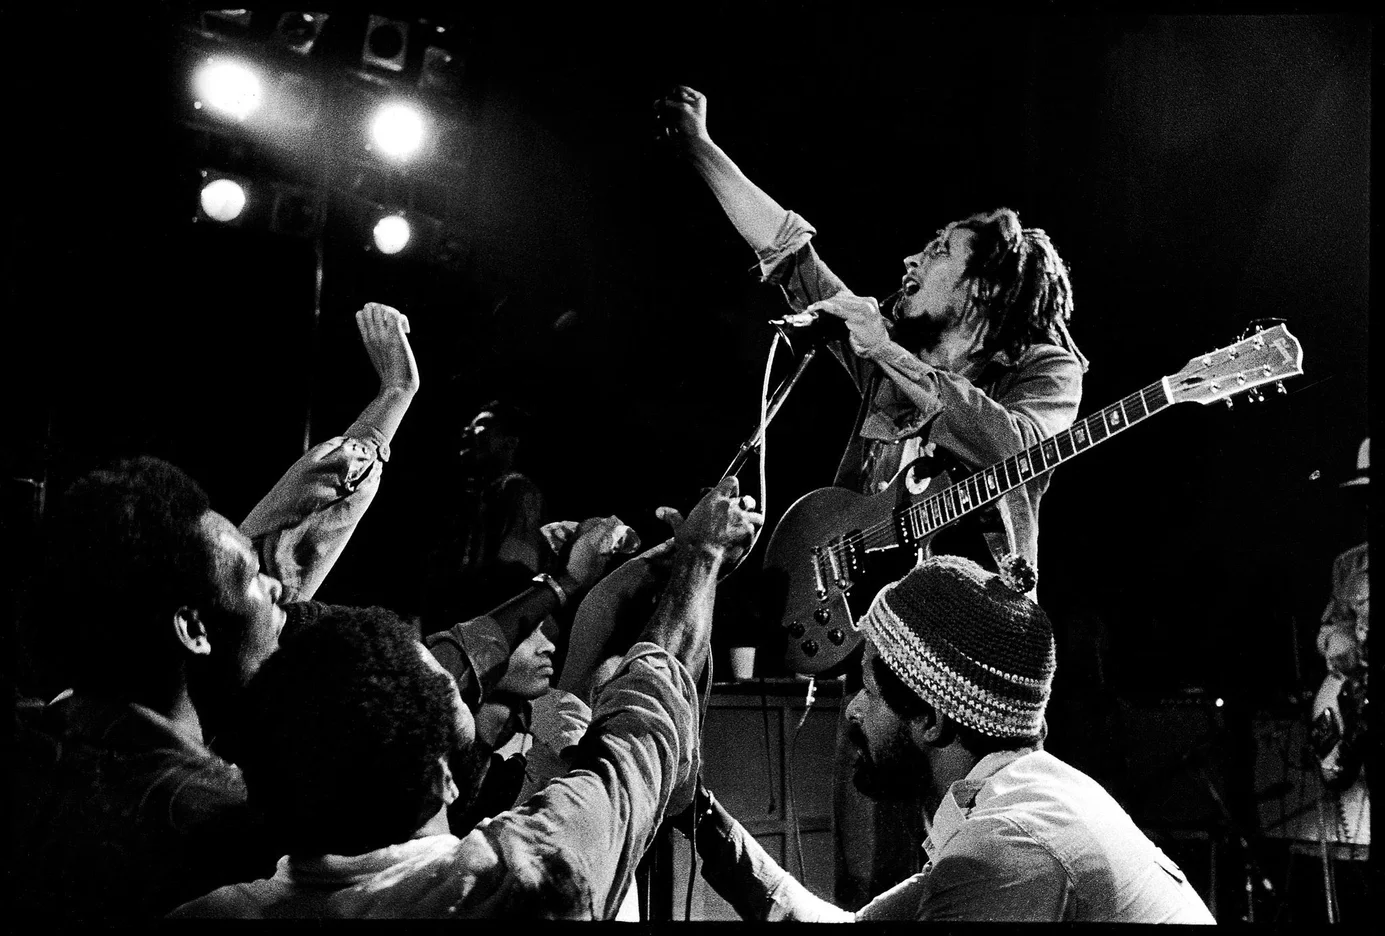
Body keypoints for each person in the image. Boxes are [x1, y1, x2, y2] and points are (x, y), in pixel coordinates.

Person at [656, 84, 1089, 904]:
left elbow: (1013, 447)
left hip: (975, 665)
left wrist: (884, 346)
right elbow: (789, 256)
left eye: (936, 252)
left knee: (977, 876)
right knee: (868, 881)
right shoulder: (882, 358)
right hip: (875, 657)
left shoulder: (1044, 368)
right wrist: (699, 147)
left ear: (985, 288)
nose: (908, 261)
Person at [170, 477, 765, 919]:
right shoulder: (509, 882)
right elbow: (647, 729)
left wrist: (654, 565)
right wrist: (702, 556)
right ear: (446, 780)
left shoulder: (211, 911)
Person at [10, 303, 420, 922]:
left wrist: (389, 404)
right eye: (255, 576)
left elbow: (282, 555)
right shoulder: (217, 826)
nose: (279, 588)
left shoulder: (35, 740)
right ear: (194, 630)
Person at [672, 555, 1216, 922]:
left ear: (932, 720)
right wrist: (697, 814)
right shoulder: (1026, 798)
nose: (854, 711)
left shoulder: (1004, 849)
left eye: (869, 691)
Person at [426, 400, 549, 628]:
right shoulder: (472, 498)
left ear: (510, 443)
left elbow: (517, 570)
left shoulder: (516, 490)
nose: (467, 430)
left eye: (482, 424)